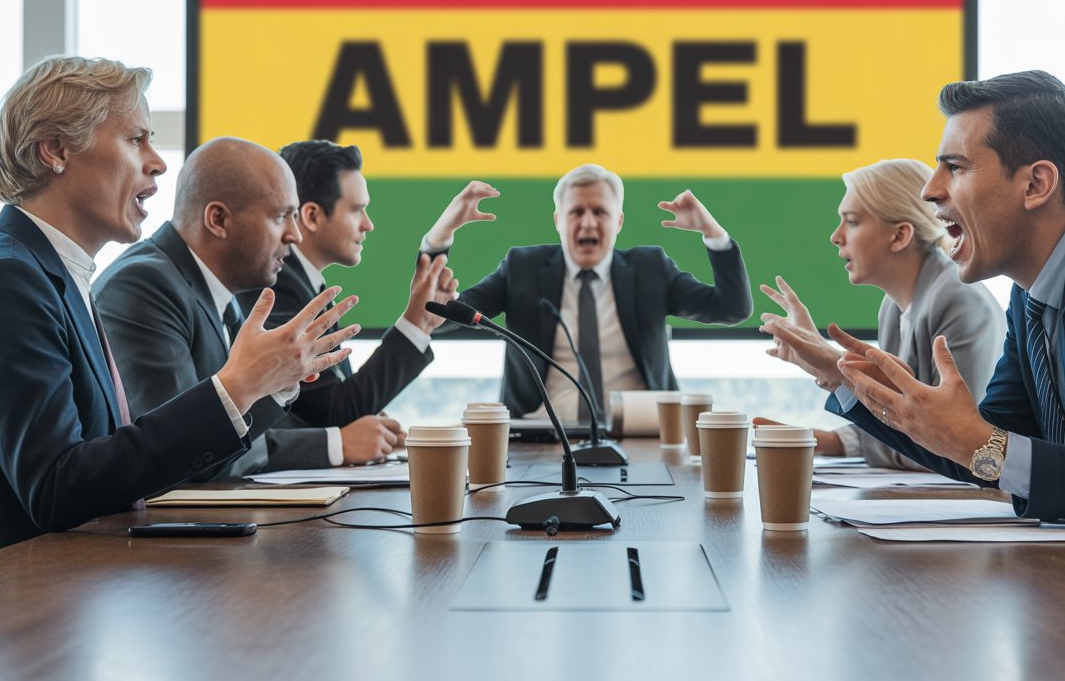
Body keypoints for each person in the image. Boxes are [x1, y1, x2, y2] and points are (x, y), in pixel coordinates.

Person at [0, 56, 356, 560]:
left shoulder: (55, 273)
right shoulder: (10, 279)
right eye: (135, 139)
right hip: (16, 613)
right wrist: (235, 387)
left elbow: (114, 456)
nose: (159, 162)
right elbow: (57, 488)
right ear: (56, 150)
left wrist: (261, 386)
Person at [785, 70, 1065, 537]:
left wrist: (978, 443)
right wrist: (851, 381)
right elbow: (982, 448)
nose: (930, 190)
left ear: (1036, 184)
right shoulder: (1030, 290)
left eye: (955, 166)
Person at [93, 138, 446, 475]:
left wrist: (281, 382)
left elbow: (234, 432)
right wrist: (332, 442)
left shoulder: (215, 292)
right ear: (217, 220)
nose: (294, 236)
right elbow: (182, 446)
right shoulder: (144, 286)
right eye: (281, 218)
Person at [421, 163, 753, 420]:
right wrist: (440, 237)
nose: (588, 223)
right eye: (577, 212)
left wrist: (714, 234)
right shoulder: (522, 268)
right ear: (557, 220)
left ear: (619, 222)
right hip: (542, 435)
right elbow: (437, 317)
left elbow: (731, 308)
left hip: (643, 436)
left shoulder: (651, 268)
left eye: (600, 212)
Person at [757, 159, 1004, 469]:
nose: (836, 236)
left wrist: (839, 370)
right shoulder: (893, 306)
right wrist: (824, 439)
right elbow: (899, 422)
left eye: (852, 221)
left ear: (900, 236)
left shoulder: (960, 303)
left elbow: (954, 447)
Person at [234, 138, 456, 439]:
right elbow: (332, 413)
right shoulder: (277, 290)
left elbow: (336, 409)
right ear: (311, 216)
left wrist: (365, 420)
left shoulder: (304, 284)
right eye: (356, 210)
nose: (368, 224)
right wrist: (416, 323)